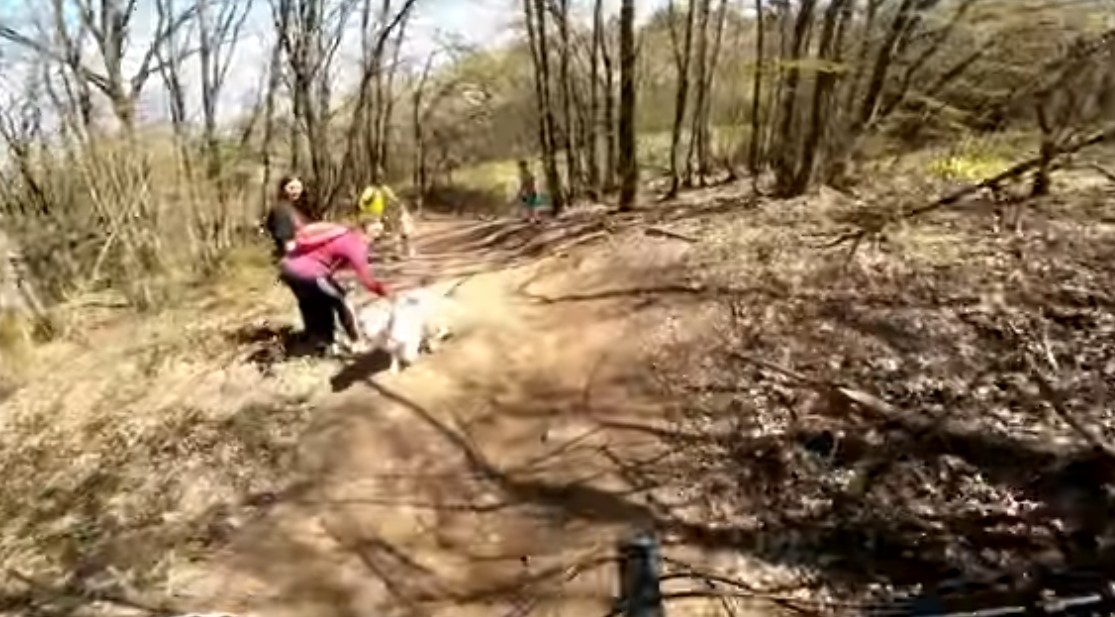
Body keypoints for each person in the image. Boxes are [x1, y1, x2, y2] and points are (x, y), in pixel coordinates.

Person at [279, 221, 392, 356]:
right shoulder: (355, 245)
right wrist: (384, 291)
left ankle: (317, 342)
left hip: (288, 268)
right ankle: (356, 342)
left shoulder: (340, 235)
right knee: (342, 301)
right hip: (310, 273)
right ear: (364, 231)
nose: (376, 238)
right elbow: (367, 280)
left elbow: (324, 260)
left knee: (313, 303)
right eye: (376, 233)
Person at [265, 176, 310, 259]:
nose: (295, 191)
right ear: (283, 189)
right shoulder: (282, 210)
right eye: (291, 188)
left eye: (298, 188)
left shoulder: (302, 209)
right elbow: (287, 241)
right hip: (290, 257)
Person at [517, 159, 541, 223]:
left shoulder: (526, 173)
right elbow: (531, 180)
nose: (520, 168)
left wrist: (521, 191)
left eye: (521, 166)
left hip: (529, 190)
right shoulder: (526, 173)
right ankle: (529, 217)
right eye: (520, 166)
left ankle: (535, 218)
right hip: (529, 190)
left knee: (531, 204)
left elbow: (525, 183)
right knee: (527, 204)